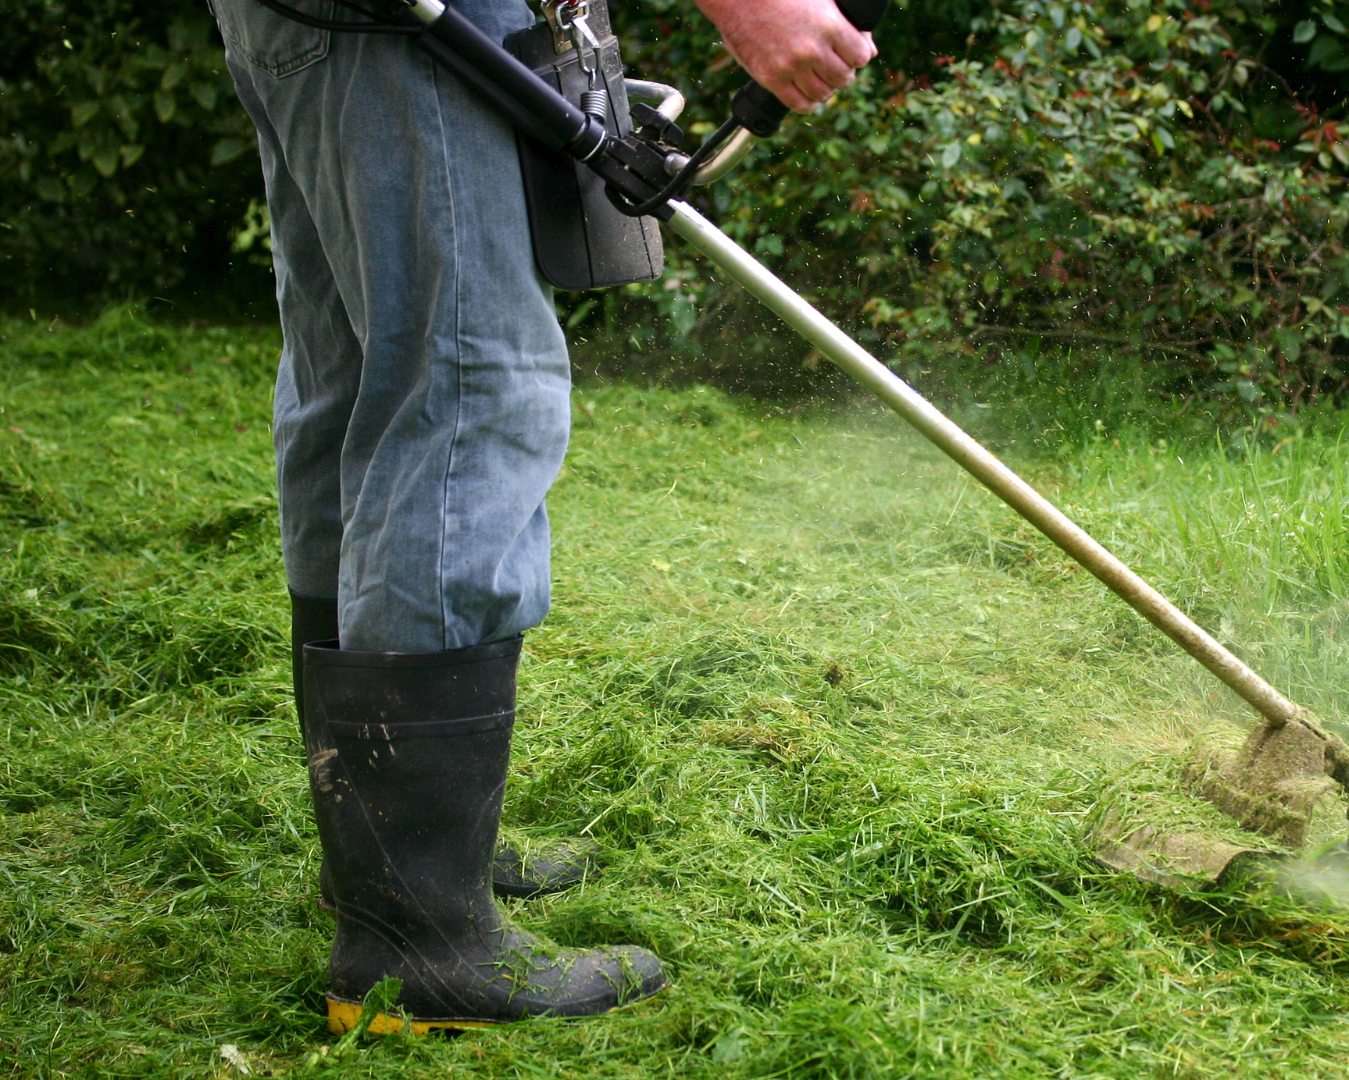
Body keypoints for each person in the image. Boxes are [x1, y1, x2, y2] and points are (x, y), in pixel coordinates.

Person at [207, 0, 877, 1032]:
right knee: (466, 385)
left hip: (323, 22)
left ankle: (399, 871)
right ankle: (421, 947)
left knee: (357, 383)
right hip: (400, 22)